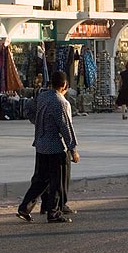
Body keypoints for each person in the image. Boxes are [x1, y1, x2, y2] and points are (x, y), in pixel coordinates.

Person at [17, 70, 79, 224]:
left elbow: (29, 107)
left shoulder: (43, 97)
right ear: (64, 85)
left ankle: (25, 208)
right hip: (56, 148)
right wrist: (73, 149)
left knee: (40, 180)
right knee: (57, 182)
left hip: (41, 145)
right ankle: (54, 212)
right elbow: (66, 127)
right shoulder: (61, 103)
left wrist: (37, 121)